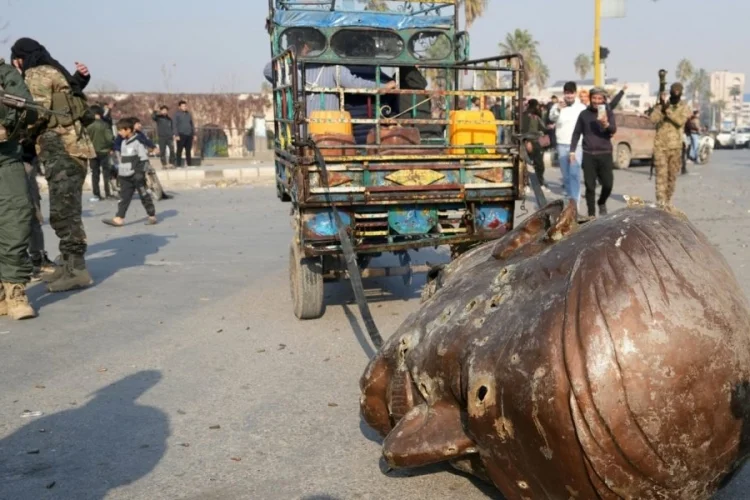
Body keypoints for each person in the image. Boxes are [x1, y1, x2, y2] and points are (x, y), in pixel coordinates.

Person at [11, 37, 95, 293]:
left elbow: (36, 113)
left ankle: (77, 270)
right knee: (64, 209)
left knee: (64, 212)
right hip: (69, 148)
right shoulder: (53, 70)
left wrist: (13, 131)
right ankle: (67, 266)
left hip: (62, 149)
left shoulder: (36, 73)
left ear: (20, 59)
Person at [0, 57, 39, 319]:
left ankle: (14, 289)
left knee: (15, 218)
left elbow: (30, 109)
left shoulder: (5, 74)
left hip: (5, 159)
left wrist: (7, 123)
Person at [570, 87, 617, 218]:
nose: (596, 101)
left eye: (599, 98)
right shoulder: (584, 114)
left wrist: (606, 124)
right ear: (590, 99)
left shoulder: (608, 112)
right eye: (594, 98)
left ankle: (601, 202)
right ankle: (591, 215)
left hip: (605, 153)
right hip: (588, 154)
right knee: (590, 187)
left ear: (603, 100)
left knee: (608, 184)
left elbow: (613, 129)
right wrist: (572, 151)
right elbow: (576, 133)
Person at [102, 119, 157, 227]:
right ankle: (119, 218)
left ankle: (152, 216)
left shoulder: (138, 142)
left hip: (137, 175)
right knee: (124, 197)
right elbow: (123, 159)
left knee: (144, 195)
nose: (119, 133)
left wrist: (141, 173)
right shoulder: (123, 142)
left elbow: (144, 159)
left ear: (128, 130)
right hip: (125, 176)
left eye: (121, 130)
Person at [649, 82, 692, 208]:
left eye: (678, 92)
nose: (675, 94)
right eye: (674, 91)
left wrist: (667, 110)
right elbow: (652, 119)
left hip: (676, 147)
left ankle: (668, 200)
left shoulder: (683, 107)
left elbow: (680, 121)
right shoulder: (661, 106)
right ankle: (661, 203)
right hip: (660, 147)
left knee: (672, 178)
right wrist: (661, 109)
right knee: (661, 177)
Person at [549, 81, 586, 209]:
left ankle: (575, 204)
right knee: (566, 176)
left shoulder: (581, 108)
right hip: (561, 144)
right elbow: (551, 118)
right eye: (566, 93)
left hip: (576, 146)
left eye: (571, 93)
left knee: (574, 174)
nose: (569, 96)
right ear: (564, 94)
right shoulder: (556, 107)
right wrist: (558, 109)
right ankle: (569, 202)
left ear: (575, 93)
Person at [86, 105, 115, 201]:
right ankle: (108, 192)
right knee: (106, 173)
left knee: (95, 173)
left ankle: (96, 194)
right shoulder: (105, 125)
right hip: (104, 151)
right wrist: (110, 147)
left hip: (92, 152)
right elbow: (110, 138)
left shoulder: (88, 126)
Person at [521, 99, 550, 192]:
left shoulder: (537, 116)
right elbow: (524, 130)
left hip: (538, 143)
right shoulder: (525, 115)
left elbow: (542, 128)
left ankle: (540, 183)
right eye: (537, 106)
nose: (538, 107)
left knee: (539, 165)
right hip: (529, 142)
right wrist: (527, 142)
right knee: (526, 165)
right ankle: (526, 185)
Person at [173, 100, 194, 167]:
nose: (184, 107)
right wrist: (176, 135)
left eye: (185, 106)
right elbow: (174, 125)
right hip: (181, 134)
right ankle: (178, 164)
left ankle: (189, 164)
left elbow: (191, 124)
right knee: (179, 150)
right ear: (179, 107)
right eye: (183, 106)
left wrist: (193, 133)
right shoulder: (177, 115)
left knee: (188, 150)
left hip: (189, 134)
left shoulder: (188, 114)